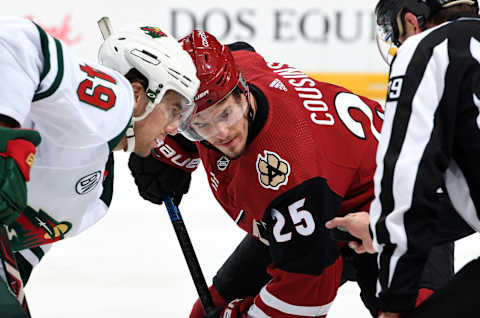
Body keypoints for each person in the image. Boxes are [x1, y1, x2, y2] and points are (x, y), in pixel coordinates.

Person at [128, 30, 457, 318]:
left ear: (242, 90)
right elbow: (236, 48)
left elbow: (310, 292)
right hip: (320, 207)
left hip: (399, 201)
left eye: (226, 113)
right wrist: (171, 147)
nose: (221, 132)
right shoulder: (232, 72)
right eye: (199, 126)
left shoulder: (288, 170)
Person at [0, 16, 199, 317]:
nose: (173, 128)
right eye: (173, 110)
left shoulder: (95, 196)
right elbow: (17, 41)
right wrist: (5, 138)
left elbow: (20, 252)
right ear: (137, 95)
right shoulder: (114, 102)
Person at [327, 0, 480, 317]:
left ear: (411, 21)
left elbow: (407, 181)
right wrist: (378, 230)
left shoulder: (428, 51)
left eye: (392, 31)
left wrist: (395, 301)